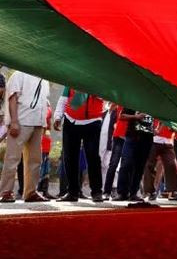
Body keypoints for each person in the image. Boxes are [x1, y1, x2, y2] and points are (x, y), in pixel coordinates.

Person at [0, 67, 50, 202]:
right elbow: (12, 98)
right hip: (21, 122)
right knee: (12, 158)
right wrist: (14, 121)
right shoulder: (19, 74)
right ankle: (6, 192)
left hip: (38, 123)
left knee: (35, 160)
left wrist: (44, 123)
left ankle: (30, 192)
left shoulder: (44, 78)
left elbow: (43, 101)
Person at [53, 87, 106, 202]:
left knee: (93, 157)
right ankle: (72, 192)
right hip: (71, 120)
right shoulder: (73, 77)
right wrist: (58, 116)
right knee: (70, 157)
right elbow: (63, 98)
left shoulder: (100, 79)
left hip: (92, 121)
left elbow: (107, 96)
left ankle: (96, 192)